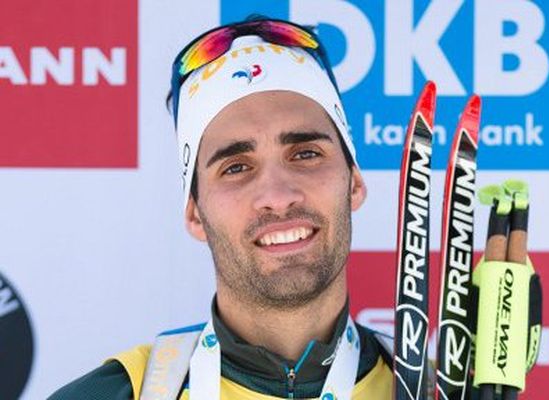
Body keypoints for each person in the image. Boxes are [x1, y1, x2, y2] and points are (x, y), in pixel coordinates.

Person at [49, 15, 408, 400]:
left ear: (353, 182)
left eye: (305, 153)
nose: (277, 194)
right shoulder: (113, 395)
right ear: (195, 213)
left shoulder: (437, 389)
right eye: (236, 167)